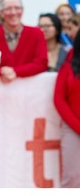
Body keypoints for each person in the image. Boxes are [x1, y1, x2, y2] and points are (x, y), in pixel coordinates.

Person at [0, 0, 48, 83]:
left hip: (30, 92)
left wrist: (16, 71)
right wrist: (2, 72)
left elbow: (41, 63)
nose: (13, 12)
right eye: (8, 9)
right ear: (1, 12)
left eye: (17, 8)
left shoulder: (37, 33)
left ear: (22, 10)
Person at [53, 29, 80, 187]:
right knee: (72, 178)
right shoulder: (69, 64)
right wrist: (77, 126)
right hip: (73, 130)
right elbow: (59, 99)